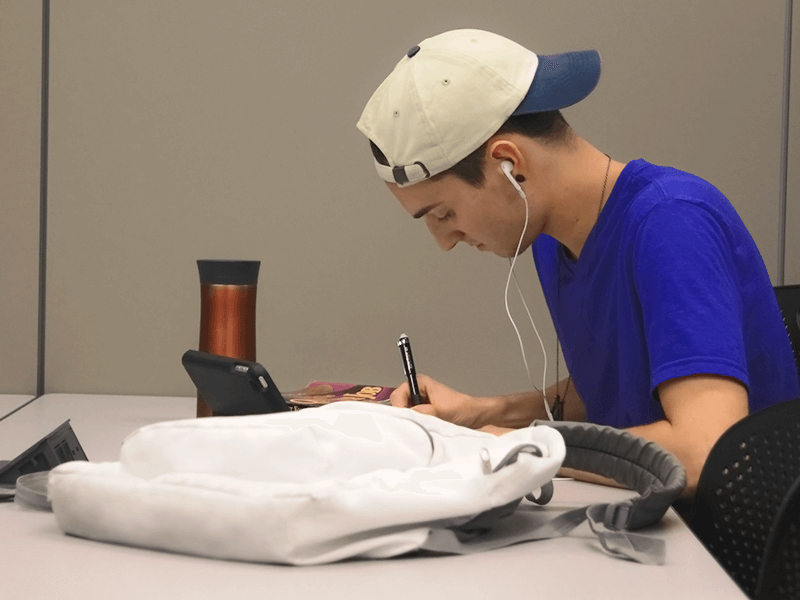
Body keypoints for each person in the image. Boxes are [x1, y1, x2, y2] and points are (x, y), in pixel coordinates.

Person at [356, 29, 799, 496]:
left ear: (509, 163)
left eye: (444, 213)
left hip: (728, 555)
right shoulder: (552, 240)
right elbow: (608, 397)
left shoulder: (671, 223)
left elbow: (702, 453)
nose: (445, 241)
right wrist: (480, 413)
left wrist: (519, 447)